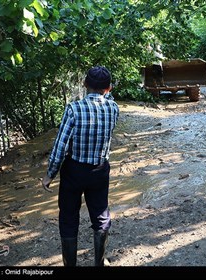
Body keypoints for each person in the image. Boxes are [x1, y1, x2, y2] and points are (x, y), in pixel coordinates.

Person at [41, 66, 119, 266]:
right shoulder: (113, 108)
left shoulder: (73, 109)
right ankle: (99, 263)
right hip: (100, 170)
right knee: (101, 217)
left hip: (74, 171)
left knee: (68, 218)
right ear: (109, 88)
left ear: (85, 85)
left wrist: (50, 174)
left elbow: (60, 145)